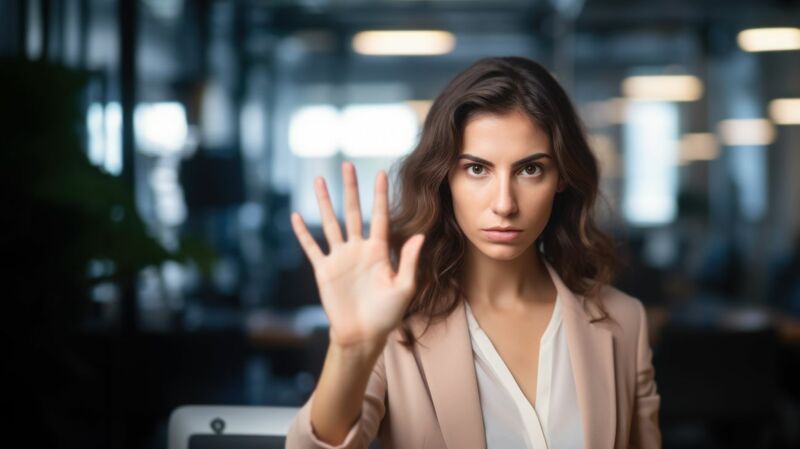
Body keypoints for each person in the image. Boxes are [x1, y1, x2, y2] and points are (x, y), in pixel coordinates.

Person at [285, 56, 660, 449]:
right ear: (445, 178)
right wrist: (350, 349)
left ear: (561, 177)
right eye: (477, 169)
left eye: (530, 169)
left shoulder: (624, 321)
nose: (504, 204)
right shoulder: (394, 325)